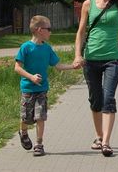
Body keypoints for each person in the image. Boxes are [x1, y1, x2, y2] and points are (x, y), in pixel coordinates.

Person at [73, 0, 118, 158]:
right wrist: (77, 55)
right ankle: (99, 136)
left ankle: (106, 142)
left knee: (108, 98)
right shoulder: (88, 4)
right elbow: (81, 32)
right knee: (95, 99)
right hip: (91, 59)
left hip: (112, 59)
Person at [14, 15, 77, 157]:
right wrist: (31, 77)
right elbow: (17, 68)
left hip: (42, 89)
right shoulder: (26, 47)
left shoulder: (47, 49)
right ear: (39, 30)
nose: (51, 32)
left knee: (40, 116)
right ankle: (23, 132)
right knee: (26, 118)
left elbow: (58, 66)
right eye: (49, 29)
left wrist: (73, 66)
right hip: (28, 89)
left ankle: (39, 144)